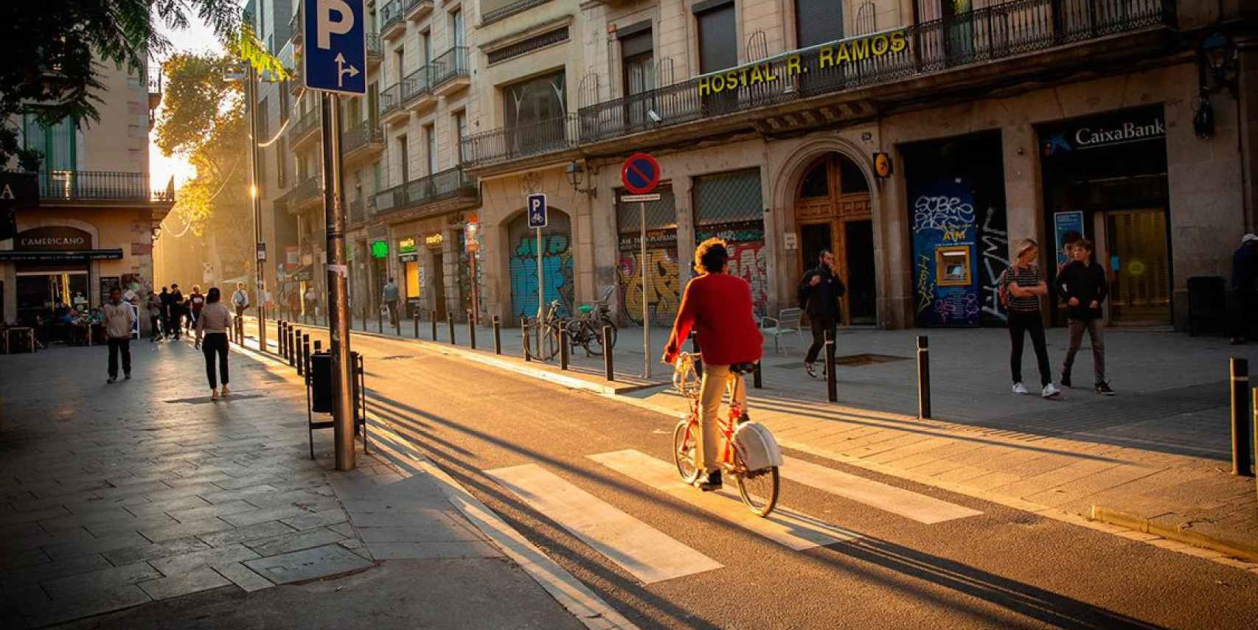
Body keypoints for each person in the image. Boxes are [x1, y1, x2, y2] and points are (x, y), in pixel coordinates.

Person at [663, 238, 764, 492]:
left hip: (720, 357)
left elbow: (683, 323)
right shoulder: (742, 285)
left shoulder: (697, 286)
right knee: (738, 406)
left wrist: (672, 352)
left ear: (701, 264)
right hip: (750, 354)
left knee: (707, 412)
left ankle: (713, 472)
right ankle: (747, 435)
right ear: (726, 263)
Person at [999, 239, 1061, 398]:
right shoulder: (1011, 270)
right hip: (1016, 314)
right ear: (1025, 251)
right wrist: (1033, 290)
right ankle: (1017, 382)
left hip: (1034, 313)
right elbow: (1016, 293)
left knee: (1041, 348)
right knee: (1017, 348)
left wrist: (1026, 288)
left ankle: (1047, 384)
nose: (1035, 255)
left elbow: (1044, 290)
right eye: (1033, 251)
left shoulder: (1035, 270)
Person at [1056, 239, 1113, 395]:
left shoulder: (1096, 268)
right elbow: (1057, 284)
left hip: (1094, 312)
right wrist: (1069, 298)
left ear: (1088, 252)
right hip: (1077, 313)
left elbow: (1103, 288)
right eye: (1074, 250)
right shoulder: (1069, 268)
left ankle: (1099, 381)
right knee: (1074, 346)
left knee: (1099, 346)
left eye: (1080, 250)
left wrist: (1097, 300)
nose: (1076, 253)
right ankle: (1066, 372)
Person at [798, 249, 846, 379]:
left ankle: (828, 371)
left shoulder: (832, 275)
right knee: (819, 341)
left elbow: (841, 291)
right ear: (821, 259)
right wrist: (811, 284)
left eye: (832, 259)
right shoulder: (812, 274)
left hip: (831, 314)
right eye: (828, 259)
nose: (830, 261)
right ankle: (809, 360)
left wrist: (835, 276)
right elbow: (801, 292)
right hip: (816, 314)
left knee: (832, 344)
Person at [196, 287, 233, 400]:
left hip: (209, 338)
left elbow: (199, 326)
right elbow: (230, 323)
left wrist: (198, 338)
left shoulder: (204, 309)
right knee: (223, 362)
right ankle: (225, 387)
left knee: (210, 364)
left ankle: (214, 391)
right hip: (222, 336)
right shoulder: (224, 308)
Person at [103, 288, 136, 383]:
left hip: (124, 335)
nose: (115, 296)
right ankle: (112, 374)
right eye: (113, 294)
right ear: (111, 295)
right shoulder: (107, 307)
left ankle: (127, 371)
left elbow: (132, 318)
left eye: (117, 294)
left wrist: (130, 327)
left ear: (120, 295)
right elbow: (104, 321)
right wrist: (105, 333)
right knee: (112, 356)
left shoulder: (127, 306)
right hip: (112, 336)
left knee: (125, 354)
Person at [1231, 233, 1258, 345]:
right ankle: (1243, 334)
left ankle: (1237, 335)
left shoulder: (1237, 253)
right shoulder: (1250, 253)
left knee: (1240, 310)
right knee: (1245, 310)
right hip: (1246, 285)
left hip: (1239, 285)